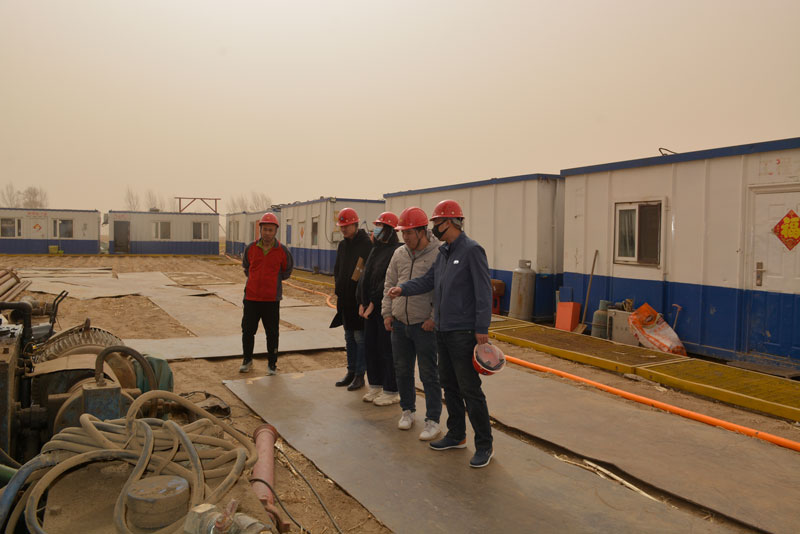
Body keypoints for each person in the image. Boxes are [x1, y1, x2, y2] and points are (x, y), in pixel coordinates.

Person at [387, 199, 494, 468]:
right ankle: (457, 435)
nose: (434, 228)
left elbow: (484, 291)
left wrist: (482, 328)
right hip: (443, 331)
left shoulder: (472, 250)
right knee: (450, 385)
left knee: (470, 389)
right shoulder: (444, 253)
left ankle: (484, 445)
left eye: (437, 223)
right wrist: (403, 289)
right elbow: (428, 281)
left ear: (452, 222)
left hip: (463, 332)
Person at [382, 206, 443, 441]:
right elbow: (389, 283)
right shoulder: (399, 253)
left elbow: (441, 290)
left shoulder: (438, 254)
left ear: (421, 231)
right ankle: (407, 411)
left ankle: (433, 420)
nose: (404, 237)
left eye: (408, 232)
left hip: (424, 325)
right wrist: (388, 313)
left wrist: (433, 318)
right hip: (400, 323)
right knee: (403, 370)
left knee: (429, 374)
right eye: (402, 232)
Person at [239, 212, 294, 375]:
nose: (267, 233)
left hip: (271, 300)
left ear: (276, 231)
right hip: (251, 298)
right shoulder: (251, 248)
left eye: (271, 230)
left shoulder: (282, 251)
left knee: (272, 333)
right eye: (265, 229)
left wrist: (273, 281)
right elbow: (246, 267)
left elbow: (287, 271)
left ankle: (272, 364)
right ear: (260, 230)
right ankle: (247, 360)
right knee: (248, 330)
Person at [358, 212, 402, 406]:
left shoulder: (395, 251)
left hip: (384, 308)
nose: (376, 230)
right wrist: (362, 301)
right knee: (371, 347)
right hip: (369, 308)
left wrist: (373, 303)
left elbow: (386, 281)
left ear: (390, 230)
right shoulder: (375, 249)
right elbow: (366, 277)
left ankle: (391, 389)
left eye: (380, 226)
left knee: (386, 349)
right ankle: (375, 385)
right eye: (376, 226)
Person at [332, 207, 372, 390]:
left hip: (359, 301)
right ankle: (351, 371)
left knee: (359, 338)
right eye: (341, 227)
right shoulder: (342, 245)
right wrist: (339, 288)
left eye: (346, 226)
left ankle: (359, 374)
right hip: (345, 300)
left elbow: (367, 273)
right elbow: (338, 269)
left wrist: (363, 298)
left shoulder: (366, 245)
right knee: (349, 336)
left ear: (355, 224)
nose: (343, 229)